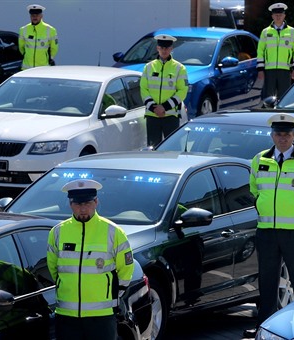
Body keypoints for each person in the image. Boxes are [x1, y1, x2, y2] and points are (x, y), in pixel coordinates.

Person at [244, 113, 294, 338]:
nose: (283, 138)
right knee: (267, 280)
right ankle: (265, 326)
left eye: (287, 134)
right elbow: (254, 190)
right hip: (267, 231)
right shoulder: (259, 159)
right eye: (279, 134)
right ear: (272, 136)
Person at [47, 179, 134, 340]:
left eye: (87, 203)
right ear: (70, 204)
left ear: (96, 202)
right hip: (67, 315)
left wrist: (112, 294)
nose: (83, 209)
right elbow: (53, 268)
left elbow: (126, 269)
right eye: (78, 204)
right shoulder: (57, 232)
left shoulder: (113, 232)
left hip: (102, 315)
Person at [140, 34, 188, 147]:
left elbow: (182, 91)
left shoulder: (179, 68)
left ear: (171, 49)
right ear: (157, 48)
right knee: (153, 149)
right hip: (152, 115)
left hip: (171, 116)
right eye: (161, 47)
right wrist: (153, 108)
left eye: (166, 48)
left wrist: (164, 107)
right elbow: (143, 89)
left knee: (172, 149)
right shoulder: (148, 67)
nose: (164, 50)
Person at [256, 3, 294, 99]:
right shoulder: (265, 32)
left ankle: (282, 114)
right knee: (268, 98)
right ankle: (268, 114)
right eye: (276, 15)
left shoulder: (292, 31)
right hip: (269, 71)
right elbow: (260, 51)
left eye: (280, 14)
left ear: (284, 15)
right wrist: (260, 69)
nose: (278, 17)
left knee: (284, 98)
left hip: (285, 70)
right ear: (272, 16)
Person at [18, 4, 59, 69]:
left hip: (42, 68)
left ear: (41, 16)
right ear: (30, 16)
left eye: (37, 15)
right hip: (26, 68)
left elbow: (54, 48)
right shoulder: (23, 29)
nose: (34, 17)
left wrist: (49, 58)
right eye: (32, 15)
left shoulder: (51, 30)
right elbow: (21, 47)